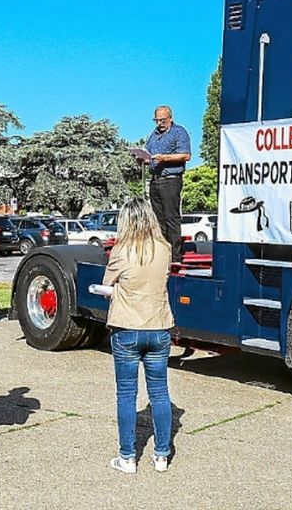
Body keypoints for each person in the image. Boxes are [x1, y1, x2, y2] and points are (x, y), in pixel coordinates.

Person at [102, 198, 174, 474]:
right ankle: (161, 455)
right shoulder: (164, 249)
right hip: (158, 326)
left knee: (126, 394)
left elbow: (107, 283)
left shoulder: (121, 251)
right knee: (159, 392)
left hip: (127, 328)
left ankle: (128, 456)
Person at [143, 105, 191, 263]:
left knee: (171, 217)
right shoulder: (153, 135)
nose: (159, 123)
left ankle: (175, 255)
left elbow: (186, 155)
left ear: (170, 118)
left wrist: (164, 158)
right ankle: (162, 253)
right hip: (155, 180)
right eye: (157, 120)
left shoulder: (179, 132)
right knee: (158, 220)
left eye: (162, 120)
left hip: (171, 179)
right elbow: (148, 154)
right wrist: (142, 158)